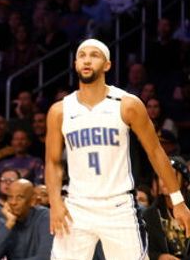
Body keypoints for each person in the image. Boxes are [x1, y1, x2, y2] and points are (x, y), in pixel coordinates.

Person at [46, 38, 190, 259]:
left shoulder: (127, 104)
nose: (87, 60)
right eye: (82, 55)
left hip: (119, 207)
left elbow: (156, 152)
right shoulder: (60, 110)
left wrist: (178, 200)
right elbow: (52, 162)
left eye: (94, 55)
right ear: (75, 64)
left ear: (107, 65)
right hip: (76, 207)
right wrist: (55, 202)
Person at [0, 178, 52, 260]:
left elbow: (45, 257)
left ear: (32, 201)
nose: (13, 202)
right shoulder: (5, 221)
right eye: (10, 197)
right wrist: (9, 225)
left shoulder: (45, 217)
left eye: (20, 197)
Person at [143, 156, 190, 260]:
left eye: (172, 176)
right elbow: (144, 249)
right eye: (161, 176)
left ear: (185, 181)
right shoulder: (149, 215)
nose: (165, 181)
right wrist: (159, 257)